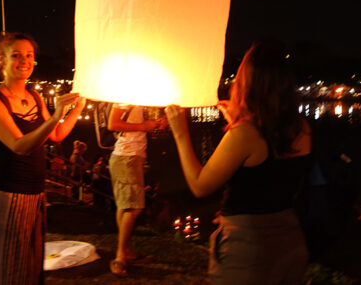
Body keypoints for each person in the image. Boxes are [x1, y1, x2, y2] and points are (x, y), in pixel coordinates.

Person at [165, 40, 312, 284]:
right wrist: (238, 120)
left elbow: (200, 186)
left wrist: (181, 134)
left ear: (247, 83)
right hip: (290, 241)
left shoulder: (245, 135)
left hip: (249, 250)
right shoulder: (302, 127)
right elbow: (272, 176)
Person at [0, 32, 85, 285]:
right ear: (2, 61)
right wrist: (54, 115)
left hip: (36, 192)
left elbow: (57, 134)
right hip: (9, 193)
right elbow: (19, 146)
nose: (24, 61)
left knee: (30, 264)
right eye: (16, 55)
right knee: (8, 269)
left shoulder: (35, 97)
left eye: (29, 55)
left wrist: (75, 111)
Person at [107, 104, 166, 276]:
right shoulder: (124, 95)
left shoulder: (137, 95)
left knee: (124, 206)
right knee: (135, 207)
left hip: (127, 157)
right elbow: (113, 123)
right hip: (127, 157)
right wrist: (143, 127)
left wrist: (155, 124)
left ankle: (127, 251)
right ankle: (120, 256)